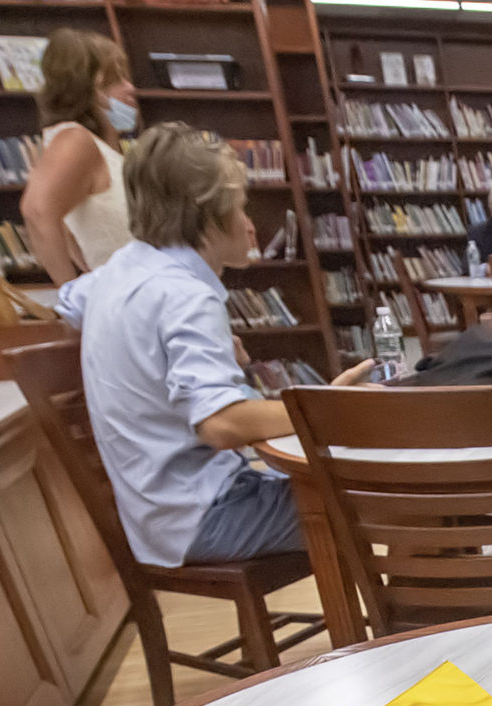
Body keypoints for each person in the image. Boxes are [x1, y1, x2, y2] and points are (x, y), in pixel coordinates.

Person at [76, 125, 369, 569]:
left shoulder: (120, 269)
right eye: (240, 207)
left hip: (156, 513)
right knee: (392, 500)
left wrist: (159, 361)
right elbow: (221, 424)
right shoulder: (185, 295)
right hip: (205, 515)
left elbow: (67, 303)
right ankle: (402, 631)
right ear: (205, 215)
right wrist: (330, 407)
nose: (251, 225)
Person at [21, 30, 135, 285]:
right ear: (94, 86)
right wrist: (71, 295)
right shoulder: (75, 140)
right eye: (117, 79)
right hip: (125, 299)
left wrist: (90, 270)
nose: (130, 88)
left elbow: (67, 224)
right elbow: (37, 211)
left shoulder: (95, 146)